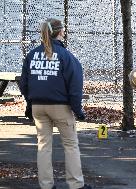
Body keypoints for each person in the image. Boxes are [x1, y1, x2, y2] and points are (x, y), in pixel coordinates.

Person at [19, 18, 92, 189]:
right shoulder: (66, 56)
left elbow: (23, 83)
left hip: (38, 106)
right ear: (60, 32)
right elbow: (75, 85)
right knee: (70, 145)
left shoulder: (32, 55)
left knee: (43, 145)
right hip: (60, 106)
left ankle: (46, 185)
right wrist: (77, 110)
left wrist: (30, 101)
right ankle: (76, 184)